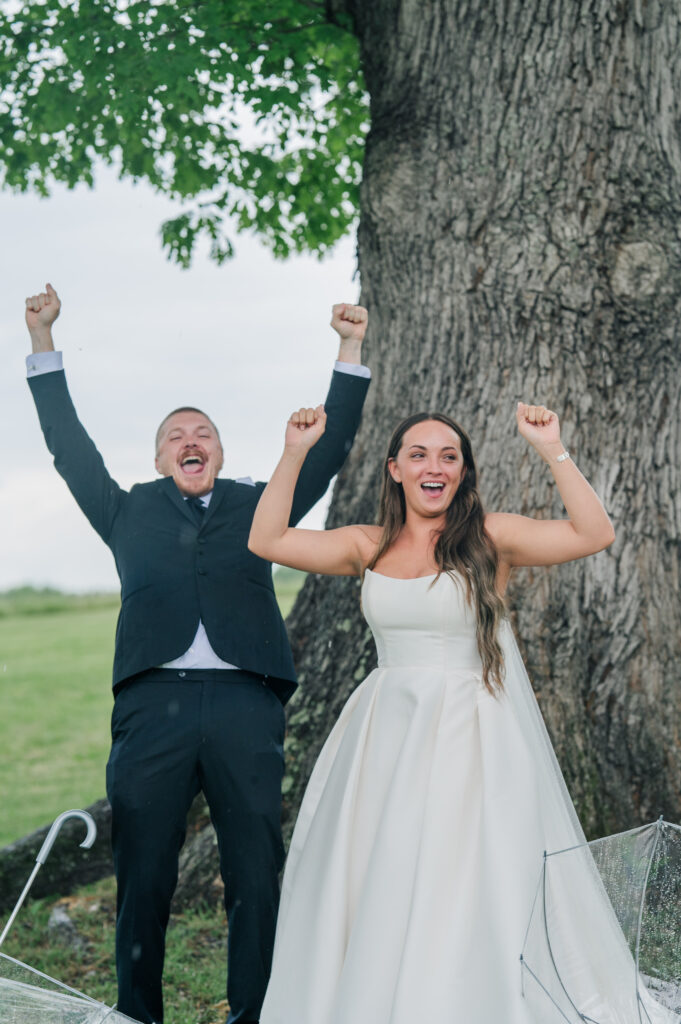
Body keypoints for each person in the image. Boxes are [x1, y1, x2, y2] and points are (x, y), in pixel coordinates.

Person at [247, 404, 676, 1024]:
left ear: (464, 473)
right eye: (418, 454)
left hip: (470, 735)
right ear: (395, 469)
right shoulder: (367, 545)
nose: (434, 466)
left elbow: (594, 533)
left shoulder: (491, 538)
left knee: (463, 870)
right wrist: (293, 452)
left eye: (449, 456)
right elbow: (268, 541)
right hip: (385, 734)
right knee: (384, 868)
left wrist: (551, 446)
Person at [23, 283, 370, 1024]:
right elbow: (67, 445)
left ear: (219, 451)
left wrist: (347, 350)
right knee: (142, 871)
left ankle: (256, 1012)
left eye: (203, 433)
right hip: (152, 710)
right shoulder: (126, 512)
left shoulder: (259, 501)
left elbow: (331, 447)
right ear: (158, 458)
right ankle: (138, 1013)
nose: (191, 441)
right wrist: (43, 339)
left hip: (246, 704)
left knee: (256, 870)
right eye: (177, 435)